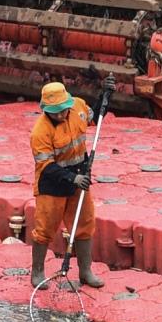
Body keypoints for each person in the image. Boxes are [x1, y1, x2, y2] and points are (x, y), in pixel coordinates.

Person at [29, 75, 115, 290]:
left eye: (63, 109)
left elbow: (94, 117)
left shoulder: (77, 107)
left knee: (85, 225)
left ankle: (85, 271)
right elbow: (46, 167)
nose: (61, 114)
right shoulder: (40, 132)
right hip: (52, 183)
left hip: (79, 177)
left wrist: (104, 95)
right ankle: (37, 272)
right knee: (45, 229)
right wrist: (72, 178)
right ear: (46, 110)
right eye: (55, 112)